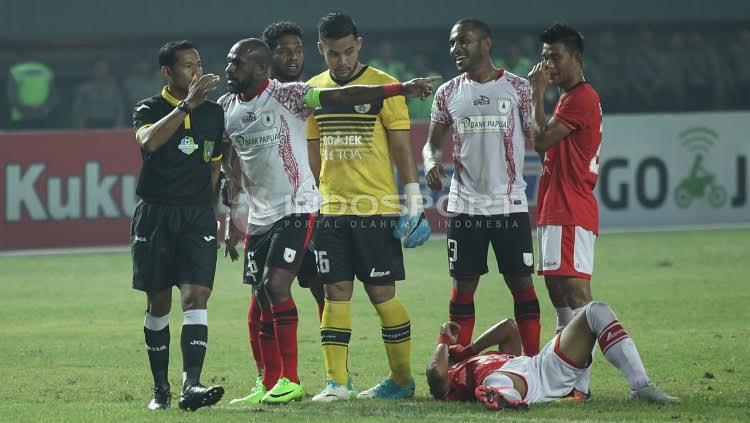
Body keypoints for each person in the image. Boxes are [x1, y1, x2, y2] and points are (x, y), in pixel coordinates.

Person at [219, 38, 438, 404]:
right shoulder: (227, 105)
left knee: (366, 293)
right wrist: (229, 181)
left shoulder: (291, 95)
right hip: (290, 214)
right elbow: (227, 151)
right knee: (305, 291)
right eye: (229, 62)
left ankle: (392, 379)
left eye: (236, 63)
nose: (229, 69)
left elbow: (344, 97)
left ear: (260, 68)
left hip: (325, 207)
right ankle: (314, 383)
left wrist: (399, 88)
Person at [306, 12, 433, 402]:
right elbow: (314, 153)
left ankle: (401, 380)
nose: (341, 61)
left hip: (375, 210)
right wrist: (317, 199)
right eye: (332, 54)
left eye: (347, 51)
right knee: (335, 292)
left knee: (382, 294)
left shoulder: (383, 86)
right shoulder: (313, 90)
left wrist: (413, 201)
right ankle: (336, 384)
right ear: (321, 50)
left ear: (359, 44)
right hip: (331, 212)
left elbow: (401, 148)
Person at [423, 18, 541, 359]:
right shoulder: (448, 92)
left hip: (509, 202)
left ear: (486, 43)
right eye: (453, 43)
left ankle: (531, 366)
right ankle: (459, 362)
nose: (456, 49)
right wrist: (432, 162)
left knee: (521, 284)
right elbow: (431, 144)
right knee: (463, 286)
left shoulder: (518, 89)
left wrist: (541, 94)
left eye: (464, 42)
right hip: (465, 204)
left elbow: (539, 135)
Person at [226, 21, 325, 406]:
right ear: (267, 59)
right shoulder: (233, 106)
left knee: (321, 288)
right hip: (262, 216)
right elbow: (231, 158)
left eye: (298, 49)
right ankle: (268, 380)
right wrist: (230, 212)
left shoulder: (301, 94)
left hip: (307, 208)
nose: (293, 56)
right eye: (284, 50)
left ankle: (330, 377)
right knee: (261, 295)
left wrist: (397, 89)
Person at [131, 40, 224, 411]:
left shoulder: (215, 114)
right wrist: (186, 106)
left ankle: (192, 386)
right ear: (167, 72)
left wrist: (214, 210)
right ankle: (160, 390)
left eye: (199, 64)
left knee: (196, 297)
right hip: (156, 215)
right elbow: (150, 142)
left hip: (197, 216)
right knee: (158, 303)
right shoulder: (148, 108)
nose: (196, 72)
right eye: (187, 66)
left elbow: (215, 162)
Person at [527, 23, 602, 402]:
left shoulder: (579, 98)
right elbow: (546, 148)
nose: (548, 65)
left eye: (555, 57)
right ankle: (566, 380)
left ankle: (581, 384)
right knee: (557, 289)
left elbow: (539, 140)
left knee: (577, 296)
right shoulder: (567, 99)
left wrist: (536, 93)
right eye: (544, 58)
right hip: (557, 207)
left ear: (576, 58)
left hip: (570, 208)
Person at [425, 301, 681, 409]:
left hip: (540, 365)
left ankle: (640, 386)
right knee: (493, 381)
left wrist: (468, 350)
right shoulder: (448, 386)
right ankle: (503, 398)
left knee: (596, 311)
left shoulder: (473, 361)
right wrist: (444, 339)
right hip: (522, 384)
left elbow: (509, 327)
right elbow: (434, 370)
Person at [72, 58, 125, 128]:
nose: (100, 71)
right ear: (93, 70)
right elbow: (78, 110)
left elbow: (119, 109)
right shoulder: (84, 89)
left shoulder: (115, 89)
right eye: (97, 68)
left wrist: (118, 126)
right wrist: (80, 126)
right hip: (90, 123)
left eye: (103, 68)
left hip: (110, 123)